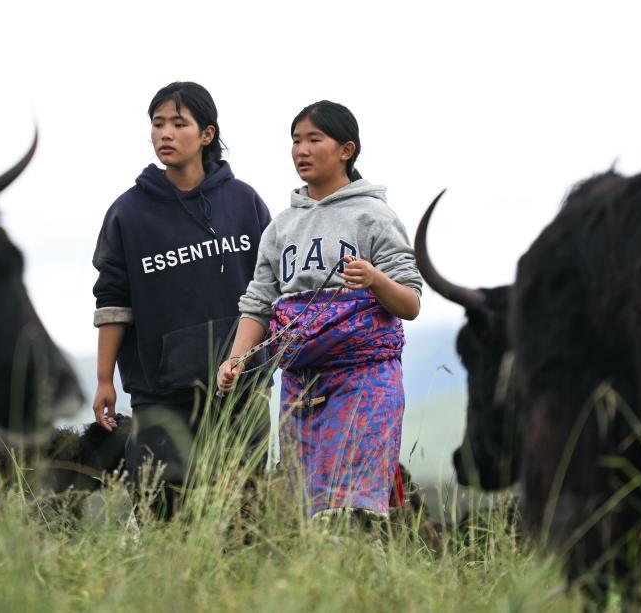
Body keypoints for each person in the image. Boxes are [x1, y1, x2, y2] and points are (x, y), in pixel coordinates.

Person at [217, 100, 422, 522]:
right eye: (296, 140)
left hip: (366, 381)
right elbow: (258, 303)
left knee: (356, 511)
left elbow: (411, 302)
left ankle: (367, 578)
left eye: (314, 139)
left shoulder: (375, 217)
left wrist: (374, 280)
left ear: (346, 150)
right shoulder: (281, 227)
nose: (301, 150)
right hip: (301, 386)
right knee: (308, 512)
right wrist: (236, 358)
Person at [92, 81, 271, 517]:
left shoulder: (244, 202)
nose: (165, 134)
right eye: (158, 124)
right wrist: (103, 379)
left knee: (240, 515)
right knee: (161, 514)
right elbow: (113, 301)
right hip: (160, 394)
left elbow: (270, 291)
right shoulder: (128, 213)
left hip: (241, 391)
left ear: (206, 134)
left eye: (178, 123)